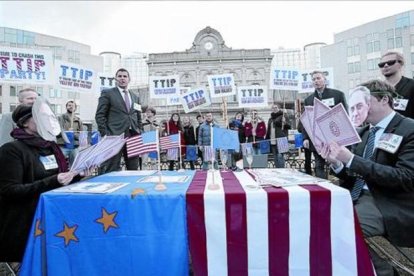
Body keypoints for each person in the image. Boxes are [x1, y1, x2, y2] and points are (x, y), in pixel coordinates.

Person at [321, 79, 414, 275]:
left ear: (384, 100)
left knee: (345, 228)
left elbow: (405, 178)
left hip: (389, 201)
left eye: (362, 104)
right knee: (319, 218)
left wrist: (352, 159)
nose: (356, 112)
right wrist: (337, 163)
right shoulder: (363, 133)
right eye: (353, 107)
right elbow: (354, 177)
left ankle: (386, 271)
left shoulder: (409, 129)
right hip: (355, 196)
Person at [0, 104, 82, 262]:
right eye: (41, 117)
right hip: (25, 222)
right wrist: (53, 181)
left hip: (51, 213)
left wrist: (76, 175)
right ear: (25, 123)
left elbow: (57, 178)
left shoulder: (51, 147)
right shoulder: (11, 150)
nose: (48, 121)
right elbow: (9, 190)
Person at [302, 70, 348, 179]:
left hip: (335, 137)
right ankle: (322, 189)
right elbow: (306, 121)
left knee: (338, 164)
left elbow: (345, 116)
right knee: (319, 165)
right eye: (314, 79)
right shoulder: (308, 100)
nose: (316, 81)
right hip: (317, 139)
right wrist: (305, 138)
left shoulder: (337, 95)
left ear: (325, 80)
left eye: (318, 78)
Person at [95, 68, 142, 173]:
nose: (122, 78)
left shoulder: (135, 96)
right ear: (116, 78)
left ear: (129, 79)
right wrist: (105, 134)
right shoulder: (107, 93)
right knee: (111, 167)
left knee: (133, 168)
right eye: (119, 76)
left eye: (125, 76)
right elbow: (100, 115)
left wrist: (139, 131)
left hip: (133, 136)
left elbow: (138, 116)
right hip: (114, 136)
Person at [379, 51, 414, 119]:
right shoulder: (376, 89)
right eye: (382, 64)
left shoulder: (411, 86)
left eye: (390, 62)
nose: (385, 65)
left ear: (400, 65)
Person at [57, 100, 84, 165]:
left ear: (75, 108)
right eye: (69, 105)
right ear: (66, 107)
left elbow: (81, 135)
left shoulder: (78, 120)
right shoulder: (60, 118)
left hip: (74, 147)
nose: (71, 107)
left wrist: (73, 134)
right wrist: (67, 132)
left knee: (74, 165)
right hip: (63, 146)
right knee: (59, 164)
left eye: (73, 106)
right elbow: (56, 132)